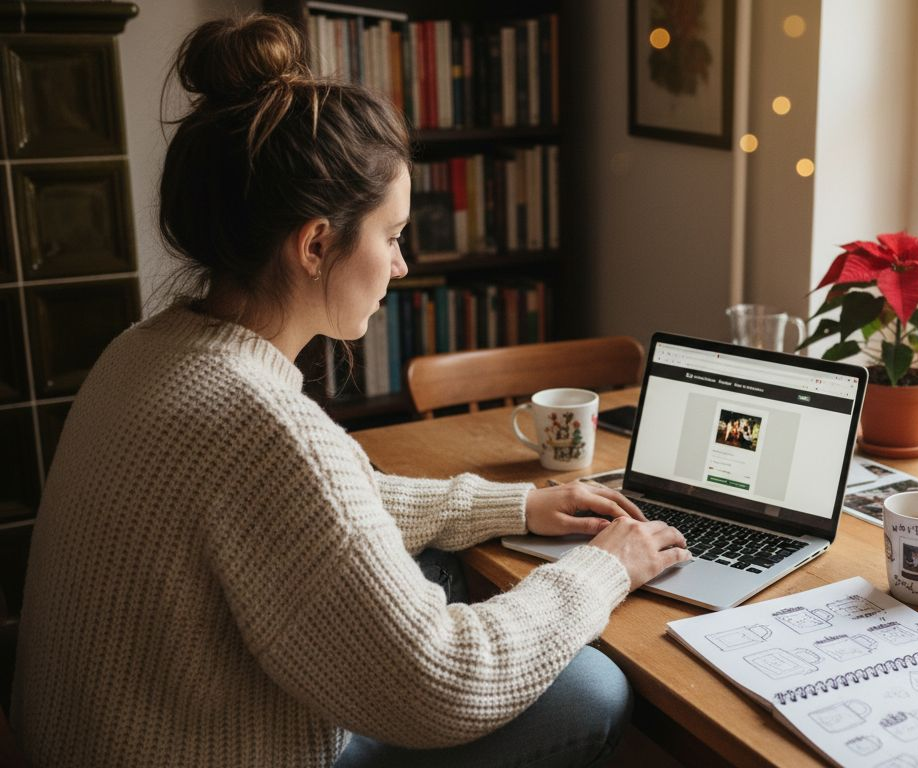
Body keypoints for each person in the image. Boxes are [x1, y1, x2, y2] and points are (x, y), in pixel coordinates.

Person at [10, 14, 690, 768]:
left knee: (441, 567)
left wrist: (515, 506)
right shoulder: (262, 427)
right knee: (591, 689)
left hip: (106, 735)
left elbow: (325, 513)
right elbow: (446, 683)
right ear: (314, 244)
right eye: (392, 236)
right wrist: (606, 569)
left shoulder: (144, 353)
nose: (402, 267)